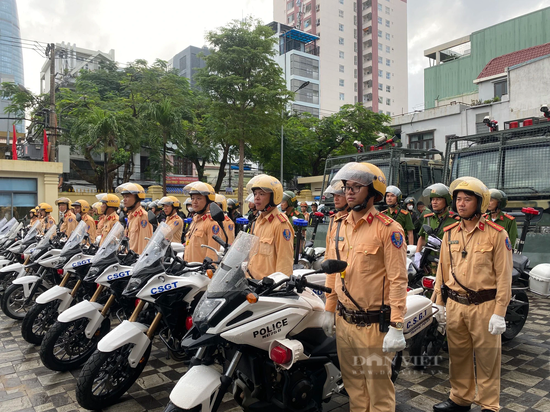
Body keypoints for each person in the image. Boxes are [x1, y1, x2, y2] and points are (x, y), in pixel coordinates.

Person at [323, 162, 407, 412]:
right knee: (354, 387)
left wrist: (397, 325)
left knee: (378, 389)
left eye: (357, 187)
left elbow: (398, 280)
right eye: (347, 186)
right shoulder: (338, 225)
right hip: (345, 322)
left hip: (374, 326)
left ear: (373, 192)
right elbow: (332, 272)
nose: (349, 192)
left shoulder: (388, 229)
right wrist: (329, 308)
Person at [432, 177, 512, 412]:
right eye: (458, 199)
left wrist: (500, 312)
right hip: (456, 305)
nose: (461, 204)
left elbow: (505, 277)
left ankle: (489, 404)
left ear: (479, 202)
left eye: (467, 199)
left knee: (487, 359)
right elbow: (442, 270)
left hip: (485, 306)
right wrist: (439, 303)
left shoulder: (497, 234)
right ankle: (460, 398)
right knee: (458, 356)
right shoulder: (449, 233)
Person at [246, 174, 295, 279]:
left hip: (267, 288)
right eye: (255, 194)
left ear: (274, 197)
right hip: (251, 283)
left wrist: (279, 288)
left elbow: (284, 263)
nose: (256, 198)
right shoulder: (257, 222)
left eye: (262, 194)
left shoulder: (280, 224)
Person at [415, 183, 460, 271]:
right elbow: (422, 237)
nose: (434, 202)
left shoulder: (455, 220)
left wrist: (442, 244)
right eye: (432, 199)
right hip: (428, 264)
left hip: (447, 263)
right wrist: (417, 253)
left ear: (446, 201)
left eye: (438, 199)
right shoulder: (428, 218)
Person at [183, 182, 227, 263]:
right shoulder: (195, 220)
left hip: (201, 271)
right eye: (192, 198)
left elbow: (212, 252)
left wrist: (206, 268)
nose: (194, 202)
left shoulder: (212, 222)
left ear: (208, 200)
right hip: (189, 269)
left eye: (199, 198)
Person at [323, 181, 349, 313]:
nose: (336, 198)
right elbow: (330, 257)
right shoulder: (334, 221)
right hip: (339, 299)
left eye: (339, 195)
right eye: (334, 195)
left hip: (359, 301)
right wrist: (329, 306)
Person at [115, 183, 152, 255]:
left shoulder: (143, 216)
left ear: (137, 198)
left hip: (135, 260)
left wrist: (140, 261)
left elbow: (144, 243)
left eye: (127, 196)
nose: (124, 200)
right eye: (124, 197)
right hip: (128, 258)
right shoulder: (131, 216)